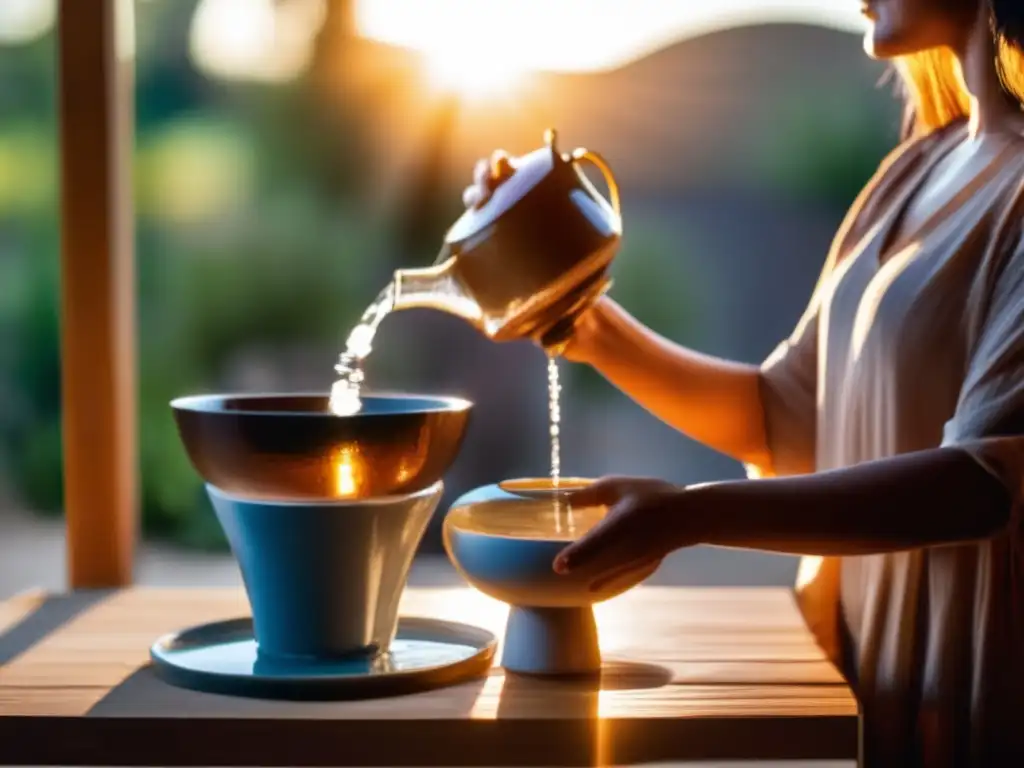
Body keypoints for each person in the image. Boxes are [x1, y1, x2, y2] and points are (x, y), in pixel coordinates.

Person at [464, 1, 1024, 764]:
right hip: (872, 699)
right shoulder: (917, 167)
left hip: (978, 710)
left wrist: (688, 517)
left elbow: (980, 484)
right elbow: (781, 418)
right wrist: (579, 317)